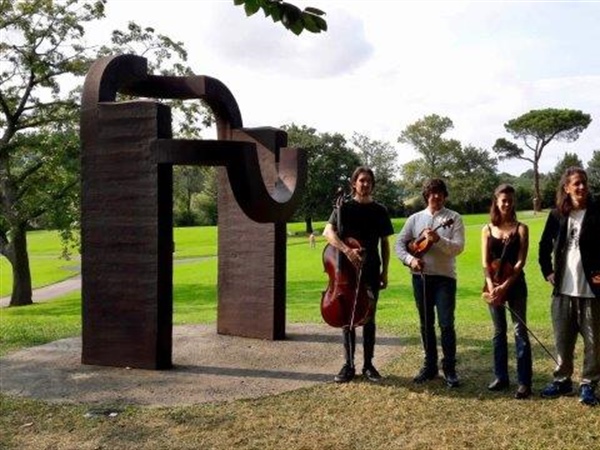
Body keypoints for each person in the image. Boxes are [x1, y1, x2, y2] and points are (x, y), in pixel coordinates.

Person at [323, 166, 394, 383]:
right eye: (361, 180)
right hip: (346, 274)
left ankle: (369, 365)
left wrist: (385, 272)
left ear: (372, 185)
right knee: (348, 319)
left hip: (371, 270)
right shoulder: (343, 207)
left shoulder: (380, 210)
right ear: (354, 183)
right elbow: (328, 232)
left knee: (369, 319)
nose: (365, 184)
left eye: (369, 181)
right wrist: (346, 250)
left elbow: (385, 243)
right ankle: (348, 365)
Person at [538, 167, 600, 406]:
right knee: (563, 340)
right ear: (566, 188)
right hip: (563, 290)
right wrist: (548, 272)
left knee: (594, 343)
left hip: (591, 291)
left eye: (584, 183)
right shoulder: (557, 215)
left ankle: (588, 384)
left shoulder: (597, 212)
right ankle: (563, 380)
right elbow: (544, 245)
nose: (582, 187)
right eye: (576, 183)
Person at [396, 178, 465, 388]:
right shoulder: (415, 219)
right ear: (426, 195)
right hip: (421, 278)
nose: (436, 196)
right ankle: (430, 366)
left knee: (446, 323)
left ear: (445, 195)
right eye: (432, 192)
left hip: (445, 278)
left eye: (440, 192)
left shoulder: (454, 217)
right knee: (426, 323)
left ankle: (450, 368)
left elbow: (458, 248)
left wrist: (439, 240)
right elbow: (399, 245)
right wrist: (410, 260)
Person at [481, 184, 532, 399]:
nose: (507, 204)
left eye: (510, 200)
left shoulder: (521, 228)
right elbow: (484, 262)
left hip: (515, 285)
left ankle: (524, 382)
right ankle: (501, 377)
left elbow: (520, 261)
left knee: (520, 331)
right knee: (498, 331)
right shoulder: (487, 229)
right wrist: (492, 286)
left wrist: (506, 284)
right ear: (496, 201)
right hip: (493, 285)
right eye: (504, 200)